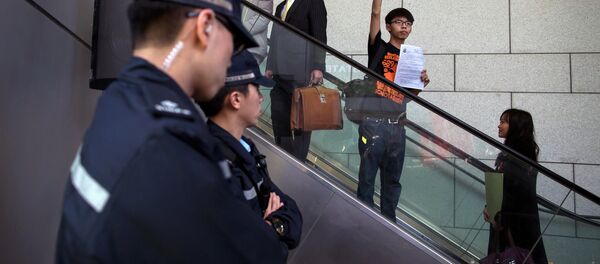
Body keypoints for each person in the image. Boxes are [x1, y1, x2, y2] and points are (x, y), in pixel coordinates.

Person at [55, 0, 290, 262]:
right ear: (205, 27)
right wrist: (271, 231)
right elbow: (261, 256)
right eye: (235, 42)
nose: (231, 59)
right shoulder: (174, 145)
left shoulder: (122, 98)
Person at [200, 50, 303, 250]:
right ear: (236, 99)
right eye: (256, 88)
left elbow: (292, 211)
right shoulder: (214, 164)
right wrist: (268, 235)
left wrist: (270, 227)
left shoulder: (246, 150)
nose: (261, 98)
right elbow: (251, 252)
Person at [356, 1, 430, 221]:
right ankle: (364, 222)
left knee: (393, 180)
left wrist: (422, 83)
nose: (404, 27)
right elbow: (375, 12)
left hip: (398, 125)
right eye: (399, 22)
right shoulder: (379, 48)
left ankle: (389, 224)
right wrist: (377, 8)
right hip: (373, 123)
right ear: (389, 27)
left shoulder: (412, 57)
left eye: (408, 23)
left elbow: (408, 97)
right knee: (368, 177)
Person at [484, 109, 548, 264]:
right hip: (505, 219)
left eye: (503, 122)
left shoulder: (520, 157)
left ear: (517, 126)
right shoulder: (509, 154)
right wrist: (490, 208)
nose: (499, 126)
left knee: (514, 256)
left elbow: (515, 191)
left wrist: (497, 213)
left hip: (513, 223)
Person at [265, 0, 327, 160]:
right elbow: (275, 39)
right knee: (278, 116)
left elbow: (319, 34)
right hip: (279, 73)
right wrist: (270, 66)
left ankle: (298, 162)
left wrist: (318, 66)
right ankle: (285, 159)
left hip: (302, 73)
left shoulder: (313, 2)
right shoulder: (281, 6)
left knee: (301, 123)